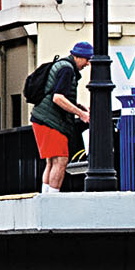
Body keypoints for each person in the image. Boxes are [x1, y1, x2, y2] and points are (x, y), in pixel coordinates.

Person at [30, 41, 92, 194]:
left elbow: (57, 93)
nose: (87, 64)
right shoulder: (67, 70)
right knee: (61, 160)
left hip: (42, 119)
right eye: (87, 59)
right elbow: (57, 98)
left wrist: (79, 106)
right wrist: (81, 114)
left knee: (51, 161)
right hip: (51, 121)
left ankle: (46, 196)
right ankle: (53, 197)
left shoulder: (62, 65)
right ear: (78, 57)